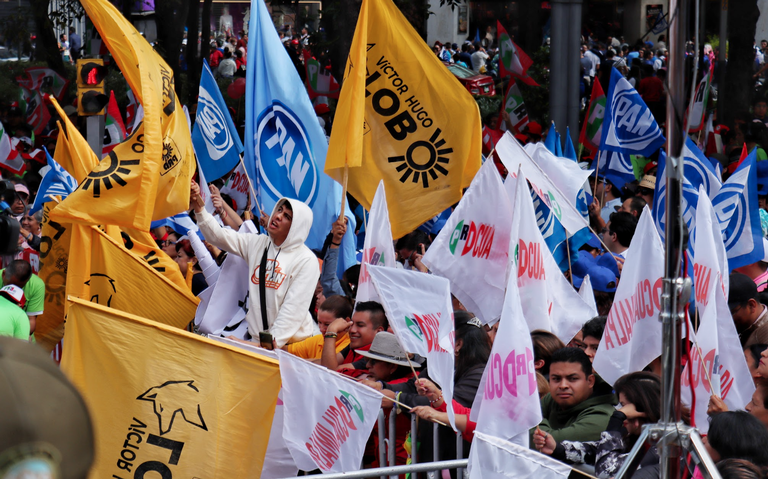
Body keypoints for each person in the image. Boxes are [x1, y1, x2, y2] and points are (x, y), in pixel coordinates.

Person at [191, 180, 320, 349]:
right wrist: (199, 208)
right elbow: (219, 237)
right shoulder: (258, 243)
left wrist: (262, 345)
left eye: (287, 216)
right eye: (279, 210)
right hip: (258, 345)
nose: (278, 216)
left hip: (292, 349)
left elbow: (292, 312)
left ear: (297, 227)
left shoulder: (306, 260)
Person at [534, 372, 662, 478]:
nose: (621, 411)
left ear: (642, 409)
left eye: (624, 406)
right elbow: (597, 450)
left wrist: (616, 420)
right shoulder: (635, 435)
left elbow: (607, 471)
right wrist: (558, 449)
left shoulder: (664, 444)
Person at [357, 331, 418, 471]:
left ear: (393, 367)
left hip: (406, 470)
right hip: (384, 466)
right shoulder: (379, 382)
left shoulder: (414, 385)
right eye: (367, 360)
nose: (367, 366)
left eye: (373, 361)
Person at [532, 347, 615, 444]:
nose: (563, 386)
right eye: (556, 379)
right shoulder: (553, 398)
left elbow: (549, 444)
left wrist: (532, 422)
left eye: (572, 379)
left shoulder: (603, 417)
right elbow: (525, 419)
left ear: (590, 381)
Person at [321, 301, 388, 376]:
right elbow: (324, 362)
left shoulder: (374, 356)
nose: (352, 330)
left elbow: (329, 371)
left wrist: (331, 332)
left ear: (378, 331)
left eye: (360, 325)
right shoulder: (355, 345)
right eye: (352, 324)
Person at [284, 294, 352, 360]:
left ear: (346, 321)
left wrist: (331, 331)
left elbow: (326, 365)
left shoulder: (349, 346)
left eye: (327, 324)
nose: (321, 329)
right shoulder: (318, 340)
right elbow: (285, 351)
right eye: (319, 322)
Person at [2, 260, 42, 335]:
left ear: (28, 280)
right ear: (3, 274)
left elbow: (31, 320)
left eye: (19, 286)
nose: (13, 288)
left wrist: (24, 336)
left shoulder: (37, 285)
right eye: (9, 284)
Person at [729, 273, 768, 347]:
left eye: (732, 312)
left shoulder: (764, 336)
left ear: (751, 305)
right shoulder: (743, 328)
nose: (727, 319)